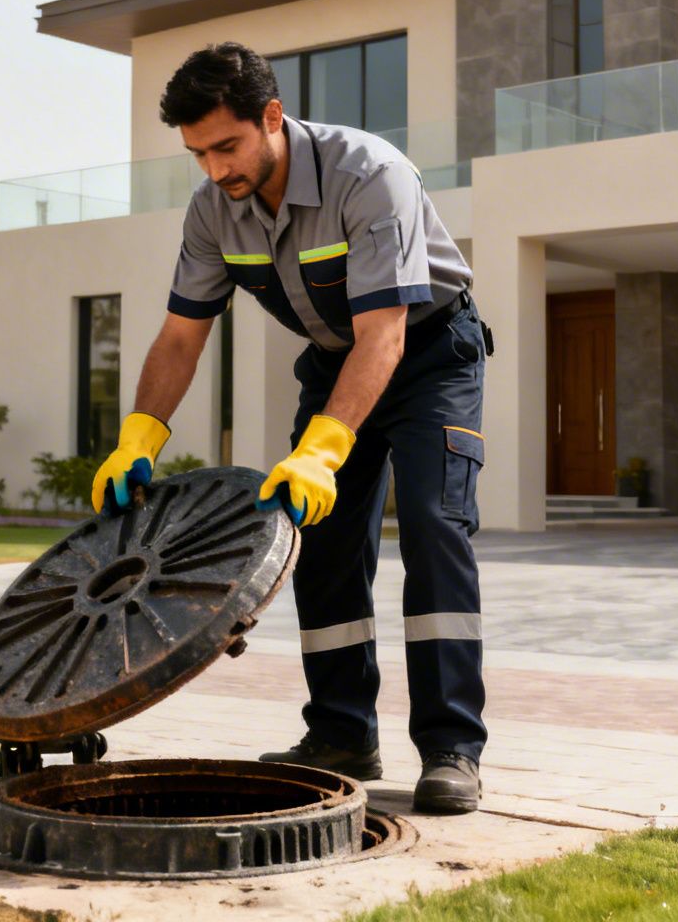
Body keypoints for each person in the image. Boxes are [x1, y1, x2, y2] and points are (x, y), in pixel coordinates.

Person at [89, 42, 490, 814]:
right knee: (315, 536)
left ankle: (452, 748)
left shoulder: (369, 174)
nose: (214, 169)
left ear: (272, 117)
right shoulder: (213, 208)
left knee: (436, 529)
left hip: (431, 352)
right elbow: (180, 335)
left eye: (227, 146)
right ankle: (343, 733)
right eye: (197, 153)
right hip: (339, 361)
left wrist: (324, 451)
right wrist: (139, 434)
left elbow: (387, 332)